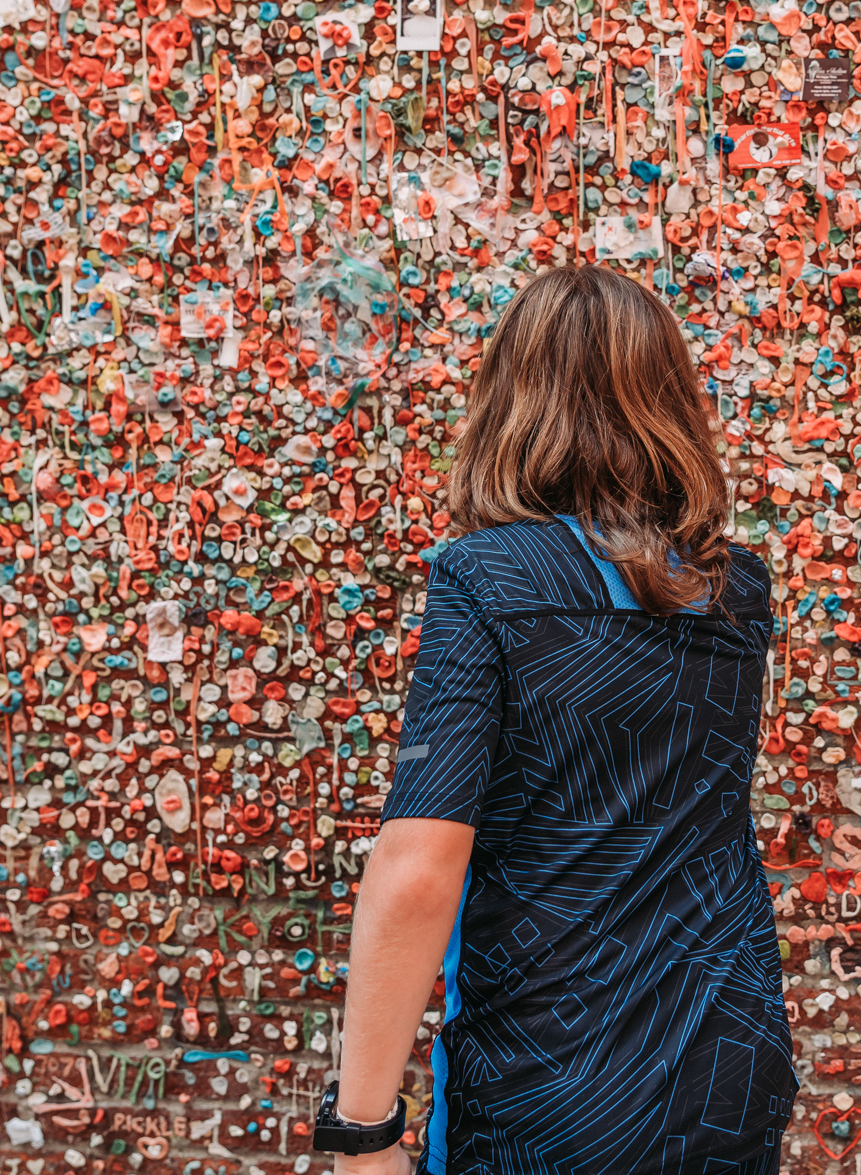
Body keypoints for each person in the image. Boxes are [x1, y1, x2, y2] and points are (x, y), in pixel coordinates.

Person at [312, 265, 797, 1175]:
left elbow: (419, 869)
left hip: (551, 1083)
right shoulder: (738, 588)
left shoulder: (485, 580)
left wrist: (363, 1135)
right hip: (728, 1061)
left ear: (511, 402)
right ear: (668, 403)